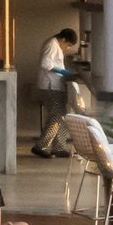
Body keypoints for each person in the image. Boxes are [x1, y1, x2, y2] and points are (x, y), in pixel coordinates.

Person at [28, 29, 81, 157]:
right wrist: (63, 72)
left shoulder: (55, 44)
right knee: (56, 116)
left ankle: (59, 147)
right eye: (68, 45)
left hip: (56, 86)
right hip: (51, 86)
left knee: (61, 115)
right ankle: (41, 146)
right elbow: (45, 63)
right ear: (63, 39)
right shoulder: (52, 44)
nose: (67, 48)